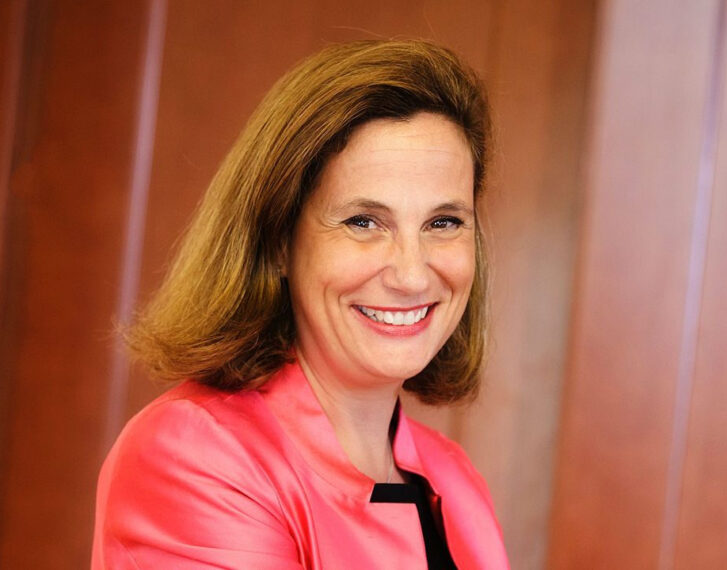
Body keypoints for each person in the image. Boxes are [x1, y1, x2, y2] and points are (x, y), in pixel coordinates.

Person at [92, 39, 510, 569]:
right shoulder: (195, 458)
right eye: (363, 222)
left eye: (443, 222)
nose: (411, 274)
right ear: (279, 242)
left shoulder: (455, 479)